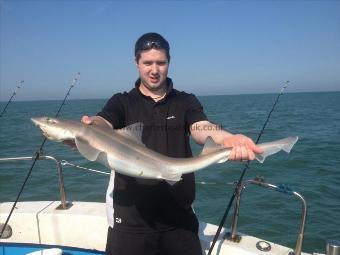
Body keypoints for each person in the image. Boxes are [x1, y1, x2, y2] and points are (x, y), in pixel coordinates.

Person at [80, 32, 263, 255]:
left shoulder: (185, 101)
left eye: (161, 63)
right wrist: (92, 125)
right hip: (130, 218)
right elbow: (104, 121)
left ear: (169, 62)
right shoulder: (122, 102)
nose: (154, 70)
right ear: (136, 63)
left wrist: (227, 138)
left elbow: (200, 127)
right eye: (147, 63)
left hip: (179, 216)